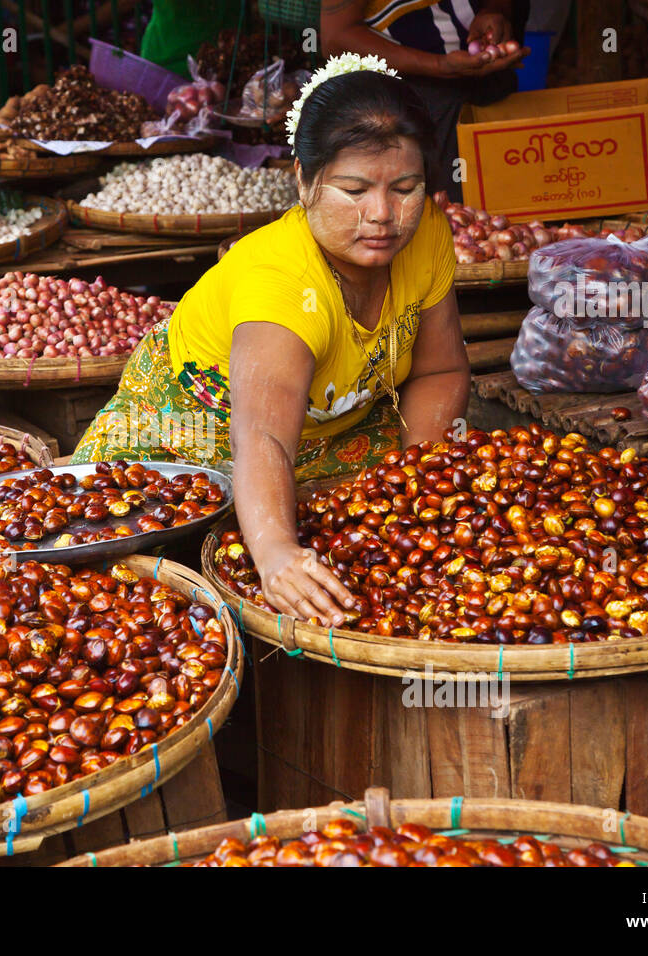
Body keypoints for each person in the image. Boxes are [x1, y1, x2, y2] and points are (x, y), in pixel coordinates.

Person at [71, 57, 470, 626]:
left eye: (405, 187)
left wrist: (411, 493)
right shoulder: (282, 282)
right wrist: (277, 552)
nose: (383, 214)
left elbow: (440, 372)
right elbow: (261, 436)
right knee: (122, 573)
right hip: (196, 428)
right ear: (305, 182)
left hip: (335, 419)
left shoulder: (427, 232)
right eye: (353, 189)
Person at [322, 0, 530, 199]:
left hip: (488, 79)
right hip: (415, 96)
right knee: (449, 208)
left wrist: (493, 12)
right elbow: (336, 38)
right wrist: (440, 66)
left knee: (512, 196)